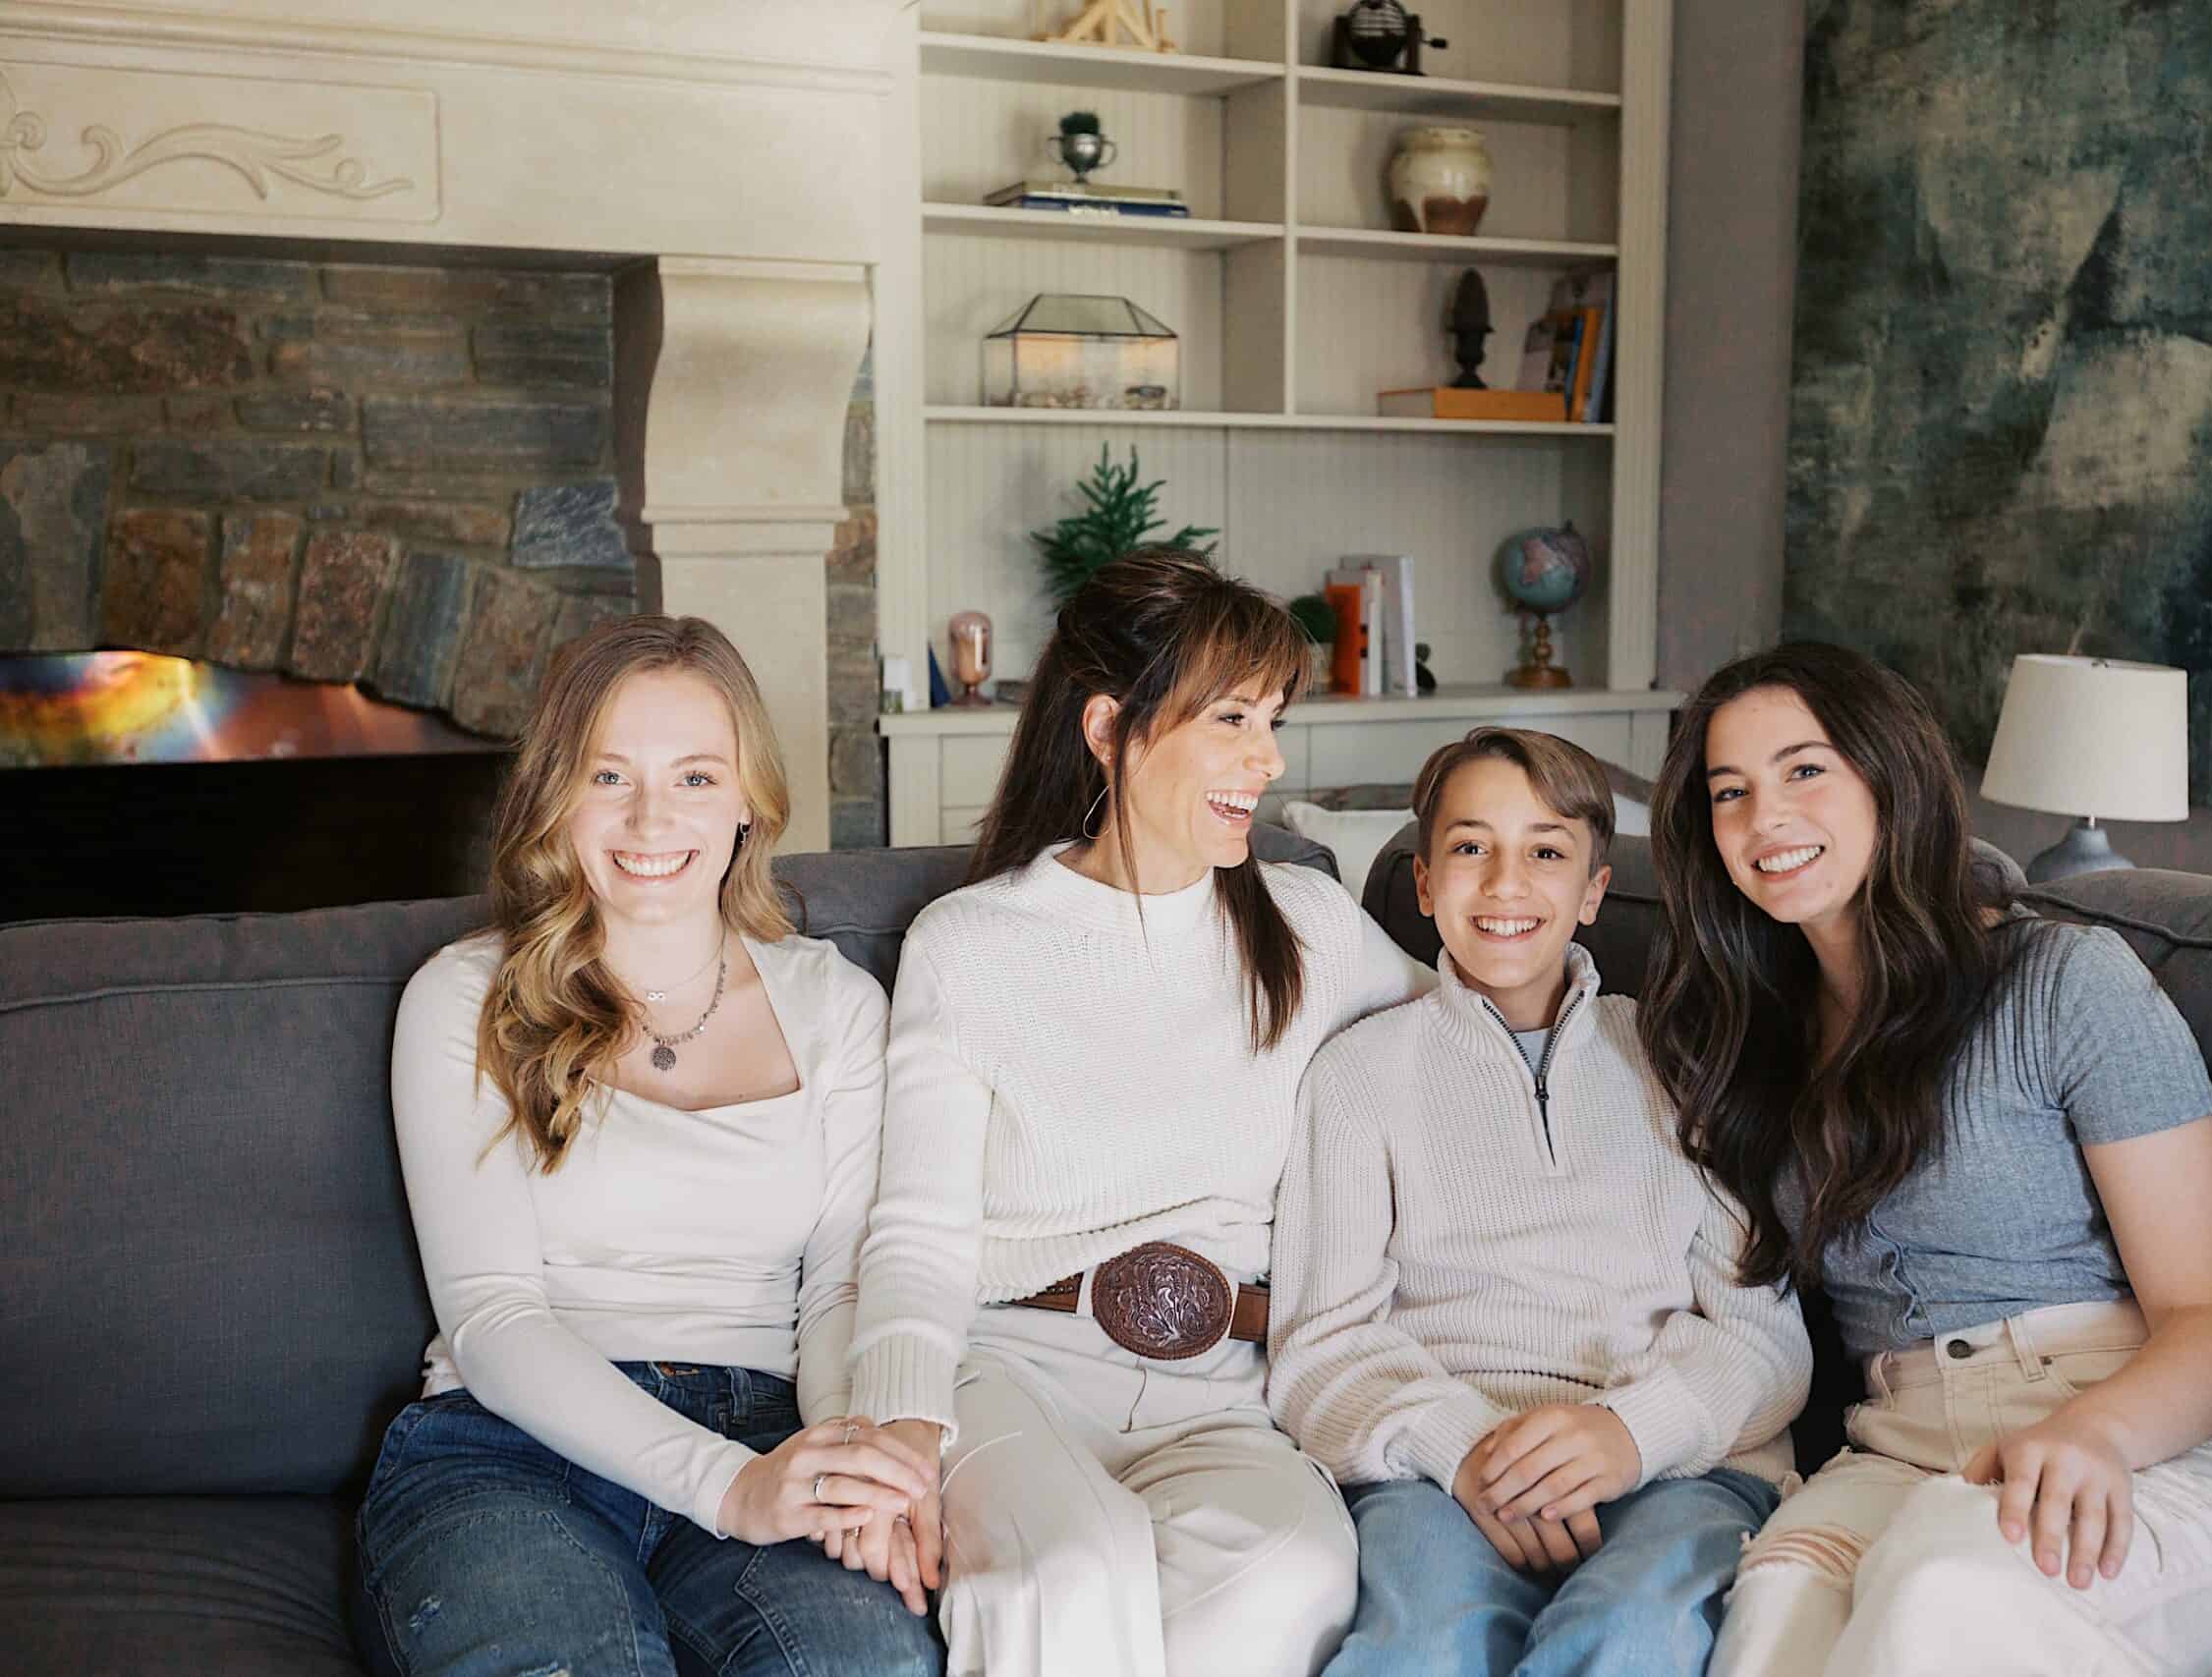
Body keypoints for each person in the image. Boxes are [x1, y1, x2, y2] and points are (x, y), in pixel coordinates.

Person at [1640, 643, 2212, 1676]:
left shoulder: (2064, 981)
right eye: (1729, 792)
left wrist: (2094, 1433)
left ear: (1889, 777)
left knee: (1940, 1596)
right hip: (1898, 1450)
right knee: (1768, 1627)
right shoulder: (1744, 1034)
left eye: (1804, 770)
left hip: (2149, 1444)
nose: (1764, 820)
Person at [843, 550, 1433, 1677]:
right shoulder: (970, 945)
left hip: (1223, 1388)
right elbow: (916, 1228)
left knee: (1293, 1570)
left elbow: (1466, 1054)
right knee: (1068, 1572)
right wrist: (903, 1423)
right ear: (1111, 727)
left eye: (1271, 721)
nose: (1265, 762)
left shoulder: (1308, 925)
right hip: (1008, 1364)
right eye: (1231, 720)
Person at [355, 616, 944, 1677]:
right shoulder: (461, 999)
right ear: (555, 796)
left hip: (773, 1424)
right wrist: (725, 1486)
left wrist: (848, 1472)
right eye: (609, 776)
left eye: (695, 778)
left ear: (749, 802)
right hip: (514, 1449)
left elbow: (840, 1291)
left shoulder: (838, 1006)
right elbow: (492, 1319)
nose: (649, 820)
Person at [1270, 727, 1810, 1677]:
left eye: (1547, 852)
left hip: (1679, 1465)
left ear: (1595, 890)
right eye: (1471, 847)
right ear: (1426, 883)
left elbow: (1765, 1340)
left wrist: (1629, 1434)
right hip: (1444, 1476)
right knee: (1422, 1645)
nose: (1506, 883)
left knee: (1635, 1633)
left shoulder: (1680, 1063)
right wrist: (1464, 1447)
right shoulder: (1357, 1076)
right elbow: (1317, 1350)